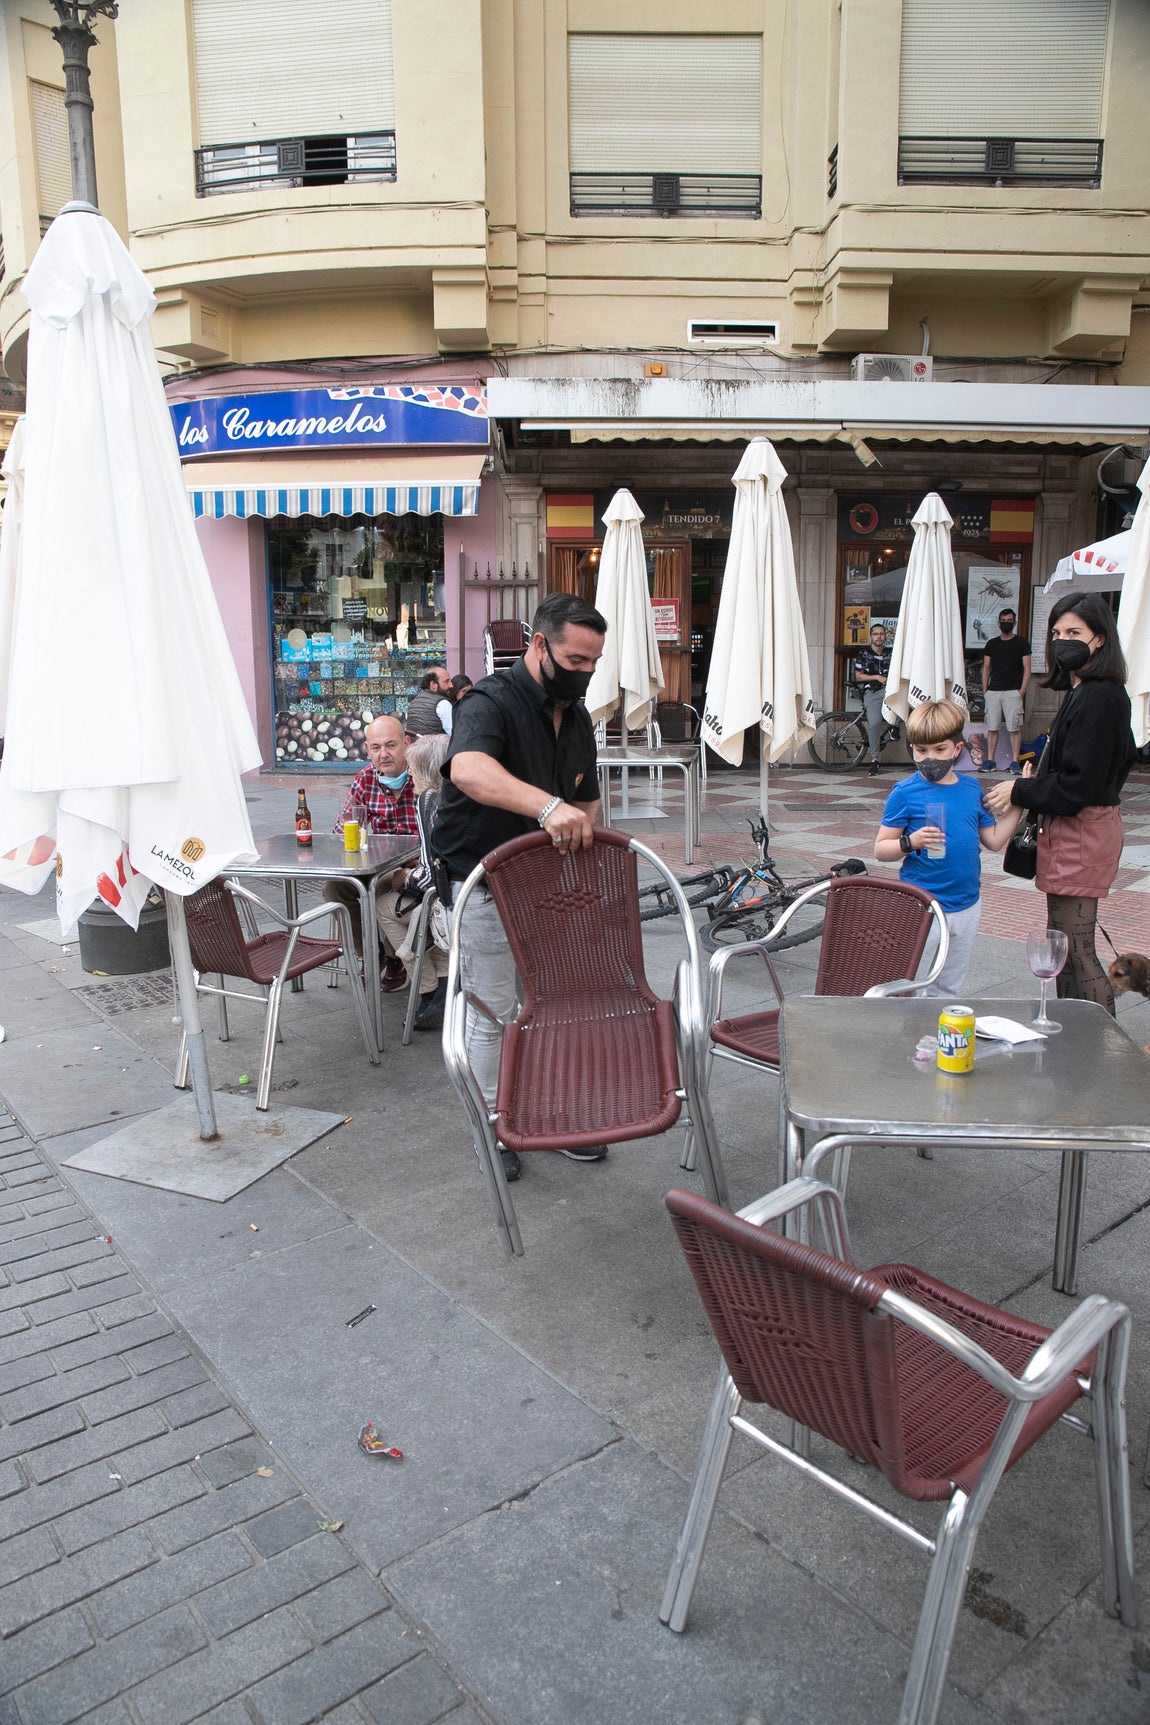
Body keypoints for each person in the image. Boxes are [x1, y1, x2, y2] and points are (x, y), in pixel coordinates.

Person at [432, 592, 608, 1182]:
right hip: (481, 878)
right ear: (538, 645)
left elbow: (588, 805)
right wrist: (548, 807)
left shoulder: (578, 716)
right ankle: (492, 1125)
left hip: (547, 883)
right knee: (493, 1005)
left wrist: (592, 872)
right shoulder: (491, 699)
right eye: (576, 660)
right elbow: (469, 770)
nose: (585, 673)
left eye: (593, 662)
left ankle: (541, 1114)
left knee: (546, 1001)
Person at [984, 591, 1135, 1013]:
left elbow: (1079, 786)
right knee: (1066, 947)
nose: (1061, 640)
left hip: (1083, 832)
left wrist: (1019, 790)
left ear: (1100, 639)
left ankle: (1094, 1046)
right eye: (1055, 632)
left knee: (1078, 951)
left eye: (1074, 632)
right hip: (1078, 831)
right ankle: (1078, 1040)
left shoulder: (1100, 697)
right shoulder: (1088, 693)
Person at [875, 699, 1027, 997]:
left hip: (968, 904)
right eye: (921, 750)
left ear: (957, 749)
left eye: (939, 749)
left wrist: (1019, 802)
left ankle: (938, 1038)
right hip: (923, 904)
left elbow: (994, 840)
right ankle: (907, 1035)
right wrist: (911, 842)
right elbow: (881, 849)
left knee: (948, 986)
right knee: (909, 982)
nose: (929, 758)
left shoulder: (971, 789)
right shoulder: (905, 792)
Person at [323, 714, 419, 991]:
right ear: (367, 750)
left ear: (406, 743)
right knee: (334, 889)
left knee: (385, 885)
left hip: (417, 865)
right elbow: (340, 831)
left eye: (391, 745)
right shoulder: (365, 779)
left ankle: (394, 958)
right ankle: (369, 953)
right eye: (376, 748)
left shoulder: (421, 773)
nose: (384, 754)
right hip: (376, 863)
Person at [374, 732, 451, 1030]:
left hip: (443, 904)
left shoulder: (427, 800)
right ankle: (442, 990)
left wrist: (403, 877)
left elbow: (431, 876)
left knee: (383, 905)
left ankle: (427, 989)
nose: (409, 774)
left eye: (413, 768)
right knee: (421, 909)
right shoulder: (457, 797)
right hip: (464, 898)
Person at [981, 607, 1031, 775]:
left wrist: (1021, 691)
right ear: (998, 623)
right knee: (992, 727)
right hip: (994, 691)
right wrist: (985, 690)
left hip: (1013, 691)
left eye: (1010, 621)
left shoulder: (1022, 643)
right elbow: (986, 668)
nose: (1007, 624)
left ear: (1015, 623)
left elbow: (1027, 668)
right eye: (1004, 621)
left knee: (1014, 729)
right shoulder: (991, 644)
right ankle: (990, 760)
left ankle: (1015, 761)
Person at [854, 623, 893, 777]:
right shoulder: (864, 653)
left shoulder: (891, 653)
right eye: (876, 634)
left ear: (885, 636)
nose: (879, 636)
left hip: (890, 691)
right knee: (875, 723)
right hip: (872, 690)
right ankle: (874, 759)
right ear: (871, 636)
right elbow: (858, 675)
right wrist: (877, 677)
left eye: (882, 634)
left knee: (904, 702)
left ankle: (895, 727)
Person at [403, 667, 454, 738]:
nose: (451, 685)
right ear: (433, 685)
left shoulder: (414, 702)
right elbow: (454, 733)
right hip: (435, 747)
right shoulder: (443, 704)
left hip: (415, 747)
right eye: (447, 681)